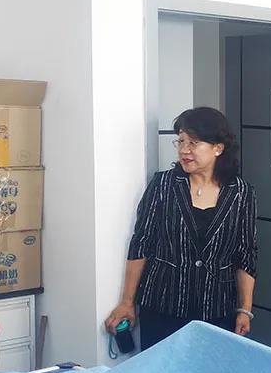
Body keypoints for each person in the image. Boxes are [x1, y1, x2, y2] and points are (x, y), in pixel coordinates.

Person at [104, 107, 258, 350]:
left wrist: (245, 309)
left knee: (208, 372)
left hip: (217, 309)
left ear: (218, 148)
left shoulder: (241, 192)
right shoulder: (163, 185)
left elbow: (246, 253)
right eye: (181, 141)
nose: (184, 150)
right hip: (163, 306)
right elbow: (142, 243)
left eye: (193, 143)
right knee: (161, 372)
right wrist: (127, 302)